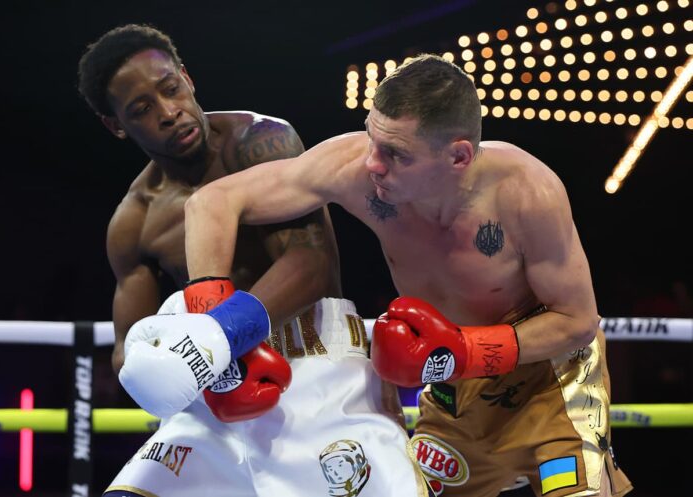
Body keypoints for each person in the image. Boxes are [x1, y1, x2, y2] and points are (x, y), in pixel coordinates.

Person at [184, 54, 633, 497]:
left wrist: (466, 350)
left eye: (395, 153)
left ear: (458, 156)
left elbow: (576, 322)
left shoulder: (525, 193)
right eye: (371, 138)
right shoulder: (356, 169)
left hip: (549, 382)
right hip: (452, 387)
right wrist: (217, 335)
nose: (373, 163)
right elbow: (211, 203)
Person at [77, 24, 426, 496]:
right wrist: (156, 365)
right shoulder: (133, 221)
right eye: (141, 109)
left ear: (187, 77)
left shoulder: (260, 142)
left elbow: (312, 262)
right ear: (116, 125)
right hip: (211, 393)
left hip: (317, 371)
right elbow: (128, 346)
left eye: (170, 89)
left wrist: (217, 339)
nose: (168, 112)